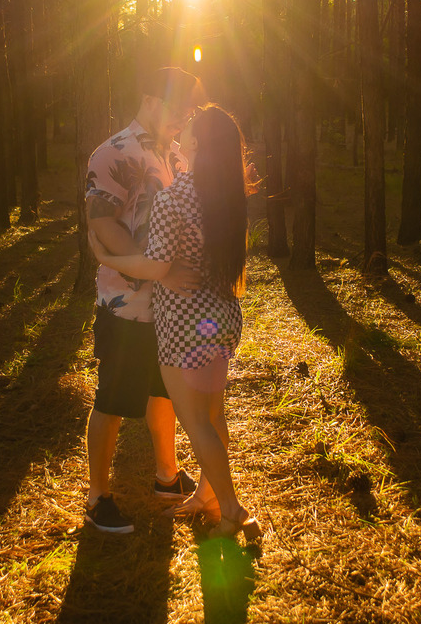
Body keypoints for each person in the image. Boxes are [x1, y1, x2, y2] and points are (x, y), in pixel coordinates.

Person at [90, 103, 260, 541]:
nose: (181, 132)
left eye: (190, 131)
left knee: (197, 422)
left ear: (199, 145)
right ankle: (207, 495)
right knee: (212, 414)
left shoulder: (176, 196)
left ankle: (231, 508)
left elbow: (158, 264)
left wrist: (107, 255)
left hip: (184, 323)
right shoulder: (228, 195)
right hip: (222, 317)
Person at [83, 67, 207, 534]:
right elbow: (102, 222)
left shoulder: (178, 156)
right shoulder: (113, 152)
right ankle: (98, 497)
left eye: (190, 111)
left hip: (173, 306)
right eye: (180, 108)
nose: (185, 118)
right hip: (127, 305)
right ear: (153, 98)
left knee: (165, 391)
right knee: (114, 399)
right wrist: (153, 269)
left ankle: (166, 477)